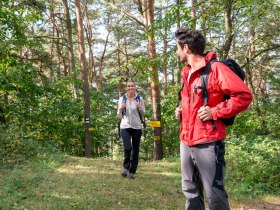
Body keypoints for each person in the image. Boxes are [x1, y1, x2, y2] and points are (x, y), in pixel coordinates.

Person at [174, 28, 253, 210]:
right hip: (186, 141)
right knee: (190, 192)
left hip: (209, 143)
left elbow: (244, 96)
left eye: (177, 47)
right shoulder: (186, 73)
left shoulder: (216, 69)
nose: (176, 52)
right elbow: (194, 102)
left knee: (215, 196)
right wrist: (181, 112)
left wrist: (215, 112)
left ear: (186, 48)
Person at [117, 80, 145, 179]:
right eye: (128, 86)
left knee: (135, 150)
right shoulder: (122, 99)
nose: (130, 87)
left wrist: (140, 107)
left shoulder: (139, 98)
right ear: (126, 88)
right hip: (125, 126)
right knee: (127, 147)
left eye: (132, 86)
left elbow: (143, 114)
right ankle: (125, 168)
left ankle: (132, 171)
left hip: (137, 127)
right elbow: (119, 116)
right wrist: (120, 108)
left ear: (135, 87)